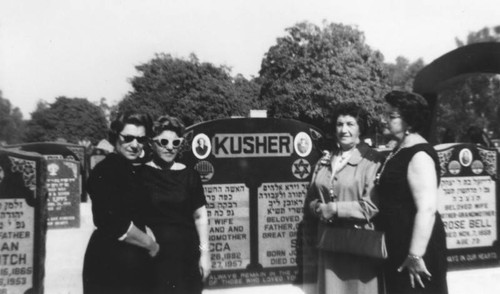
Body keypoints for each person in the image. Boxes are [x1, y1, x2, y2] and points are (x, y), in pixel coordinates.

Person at [303, 102, 383, 294]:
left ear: (360, 128)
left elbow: (372, 206)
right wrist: (317, 209)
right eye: (339, 124)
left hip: (359, 245)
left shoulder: (372, 161)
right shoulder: (324, 160)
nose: (344, 130)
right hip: (329, 243)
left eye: (350, 124)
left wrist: (335, 209)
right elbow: (311, 197)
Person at [376, 90, 448, 294]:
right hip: (398, 244)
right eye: (385, 114)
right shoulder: (399, 149)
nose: (384, 119)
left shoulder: (419, 155)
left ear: (409, 120)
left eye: (391, 116)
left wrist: (415, 255)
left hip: (417, 249)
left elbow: (427, 208)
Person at [82, 111, 160, 294]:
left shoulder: (129, 170)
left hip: (132, 262)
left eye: (141, 140)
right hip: (111, 264)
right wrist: (151, 244)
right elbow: (115, 223)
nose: (135, 145)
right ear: (115, 137)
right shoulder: (107, 170)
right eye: (128, 138)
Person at [139, 115, 210, 294]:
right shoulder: (140, 174)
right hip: (153, 257)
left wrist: (205, 253)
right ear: (151, 143)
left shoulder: (190, 175)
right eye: (163, 141)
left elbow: (200, 216)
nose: (170, 147)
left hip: (186, 257)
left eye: (176, 142)